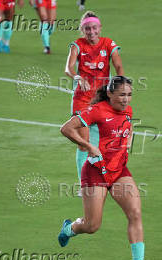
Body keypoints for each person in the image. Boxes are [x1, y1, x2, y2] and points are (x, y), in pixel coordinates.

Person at [58, 76, 151, 260]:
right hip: (95, 173)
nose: (126, 100)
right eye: (121, 95)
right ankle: (69, 228)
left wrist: (125, 146)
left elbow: (128, 127)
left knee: (135, 213)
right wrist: (89, 147)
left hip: (118, 172)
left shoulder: (128, 110)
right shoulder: (96, 110)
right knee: (92, 226)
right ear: (110, 94)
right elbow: (66, 129)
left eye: (129, 95)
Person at [65, 11, 124, 193]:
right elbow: (69, 67)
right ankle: (83, 184)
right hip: (82, 100)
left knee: (102, 143)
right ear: (83, 30)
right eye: (87, 28)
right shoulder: (78, 45)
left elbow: (118, 65)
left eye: (94, 28)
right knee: (84, 143)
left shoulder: (108, 44)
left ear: (100, 28)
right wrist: (77, 77)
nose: (91, 31)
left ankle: (102, 177)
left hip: (101, 101)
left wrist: (119, 83)